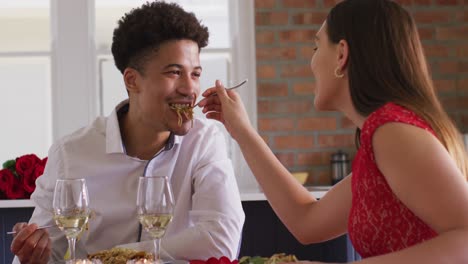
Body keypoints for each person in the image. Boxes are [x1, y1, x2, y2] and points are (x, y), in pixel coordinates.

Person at [199, 0, 468, 263]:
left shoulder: (393, 131)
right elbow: (307, 221)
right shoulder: (382, 141)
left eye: (316, 47)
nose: (312, 62)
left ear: (341, 55)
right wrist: (242, 131)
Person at [10, 1, 245, 263]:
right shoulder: (71, 154)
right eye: (175, 72)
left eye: (196, 74)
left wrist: (112, 258)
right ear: (132, 80)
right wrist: (33, 252)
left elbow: (221, 240)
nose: (190, 89)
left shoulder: (204, 141)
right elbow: (44, 252)